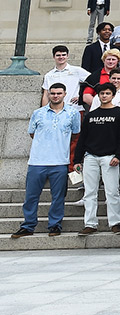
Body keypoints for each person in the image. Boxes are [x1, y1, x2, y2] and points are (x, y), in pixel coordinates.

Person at [12, 82, 80, 239]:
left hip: (60, 162)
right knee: (31, 196)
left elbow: (76, 135)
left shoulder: (72, 113)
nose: (55, 96)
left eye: (58, 93)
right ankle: (28, 225)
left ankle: (55, 224)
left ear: (64, 94)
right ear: (48, 94)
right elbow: (32, 133)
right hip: (37, 161)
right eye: (53, 93)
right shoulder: (38, 113)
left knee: (58, 196)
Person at [73, 83, 120, 236]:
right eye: (102, 93)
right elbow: (83, 138)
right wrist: (77, 160)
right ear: (98, 96)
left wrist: (119, 156)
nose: (104, 96)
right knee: (90, 192)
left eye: (107, 93)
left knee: (112, 191)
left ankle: (115, 223)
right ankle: (90, 223)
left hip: (110, 157)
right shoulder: (91, 115)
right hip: (91, 156)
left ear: (113, 95)